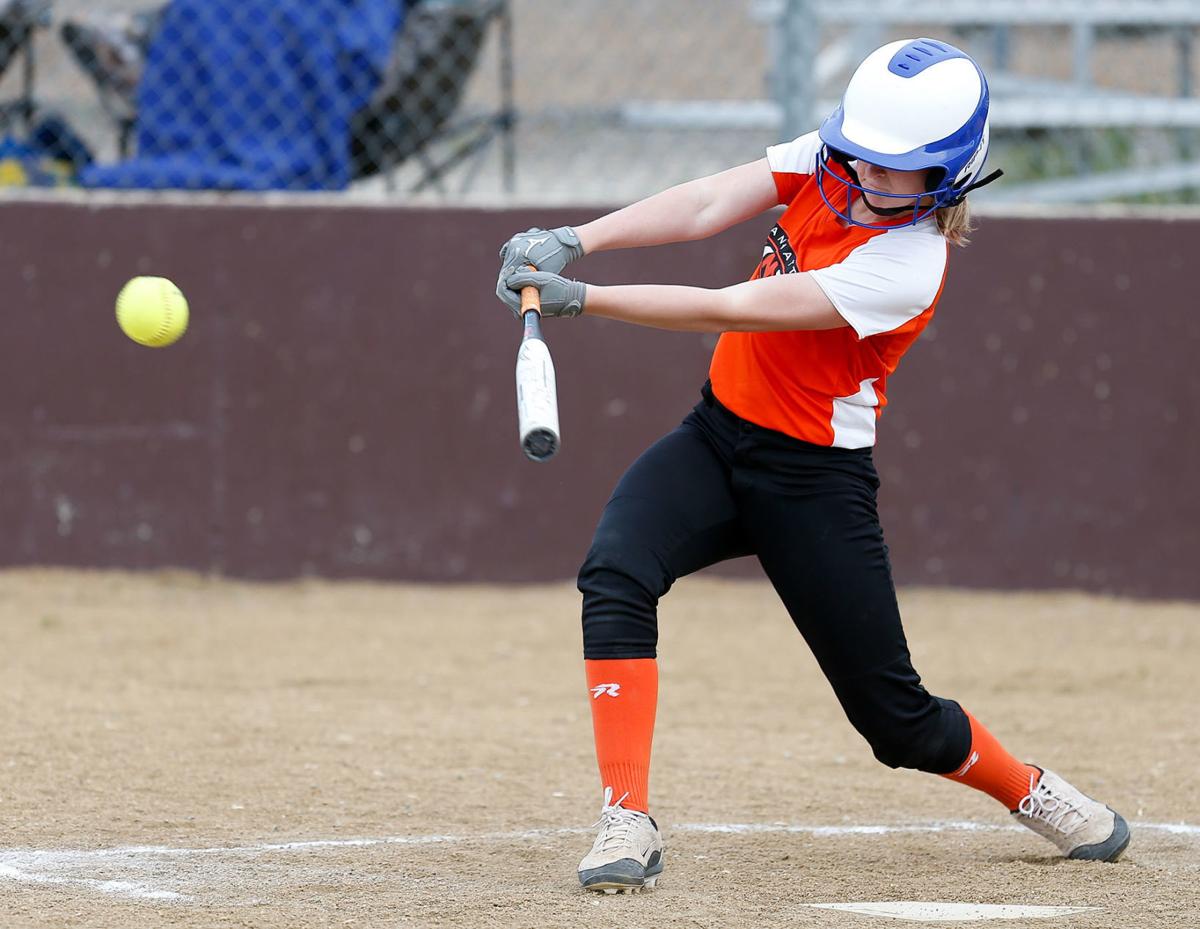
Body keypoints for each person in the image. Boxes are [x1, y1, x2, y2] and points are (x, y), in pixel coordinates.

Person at [495, 38, 1130, 894]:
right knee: (614, 571)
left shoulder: (907, 264)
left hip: (814, 481)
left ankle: (1031, 789)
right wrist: (574, 239)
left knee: (898, 724)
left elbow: (730, 308)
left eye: (894, 167)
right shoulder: (833, 159)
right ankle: (627, 815)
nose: (866, 173)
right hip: (717, 438)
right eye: (862, 152)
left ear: (947, 176)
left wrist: (586, 300)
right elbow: (708, 201)